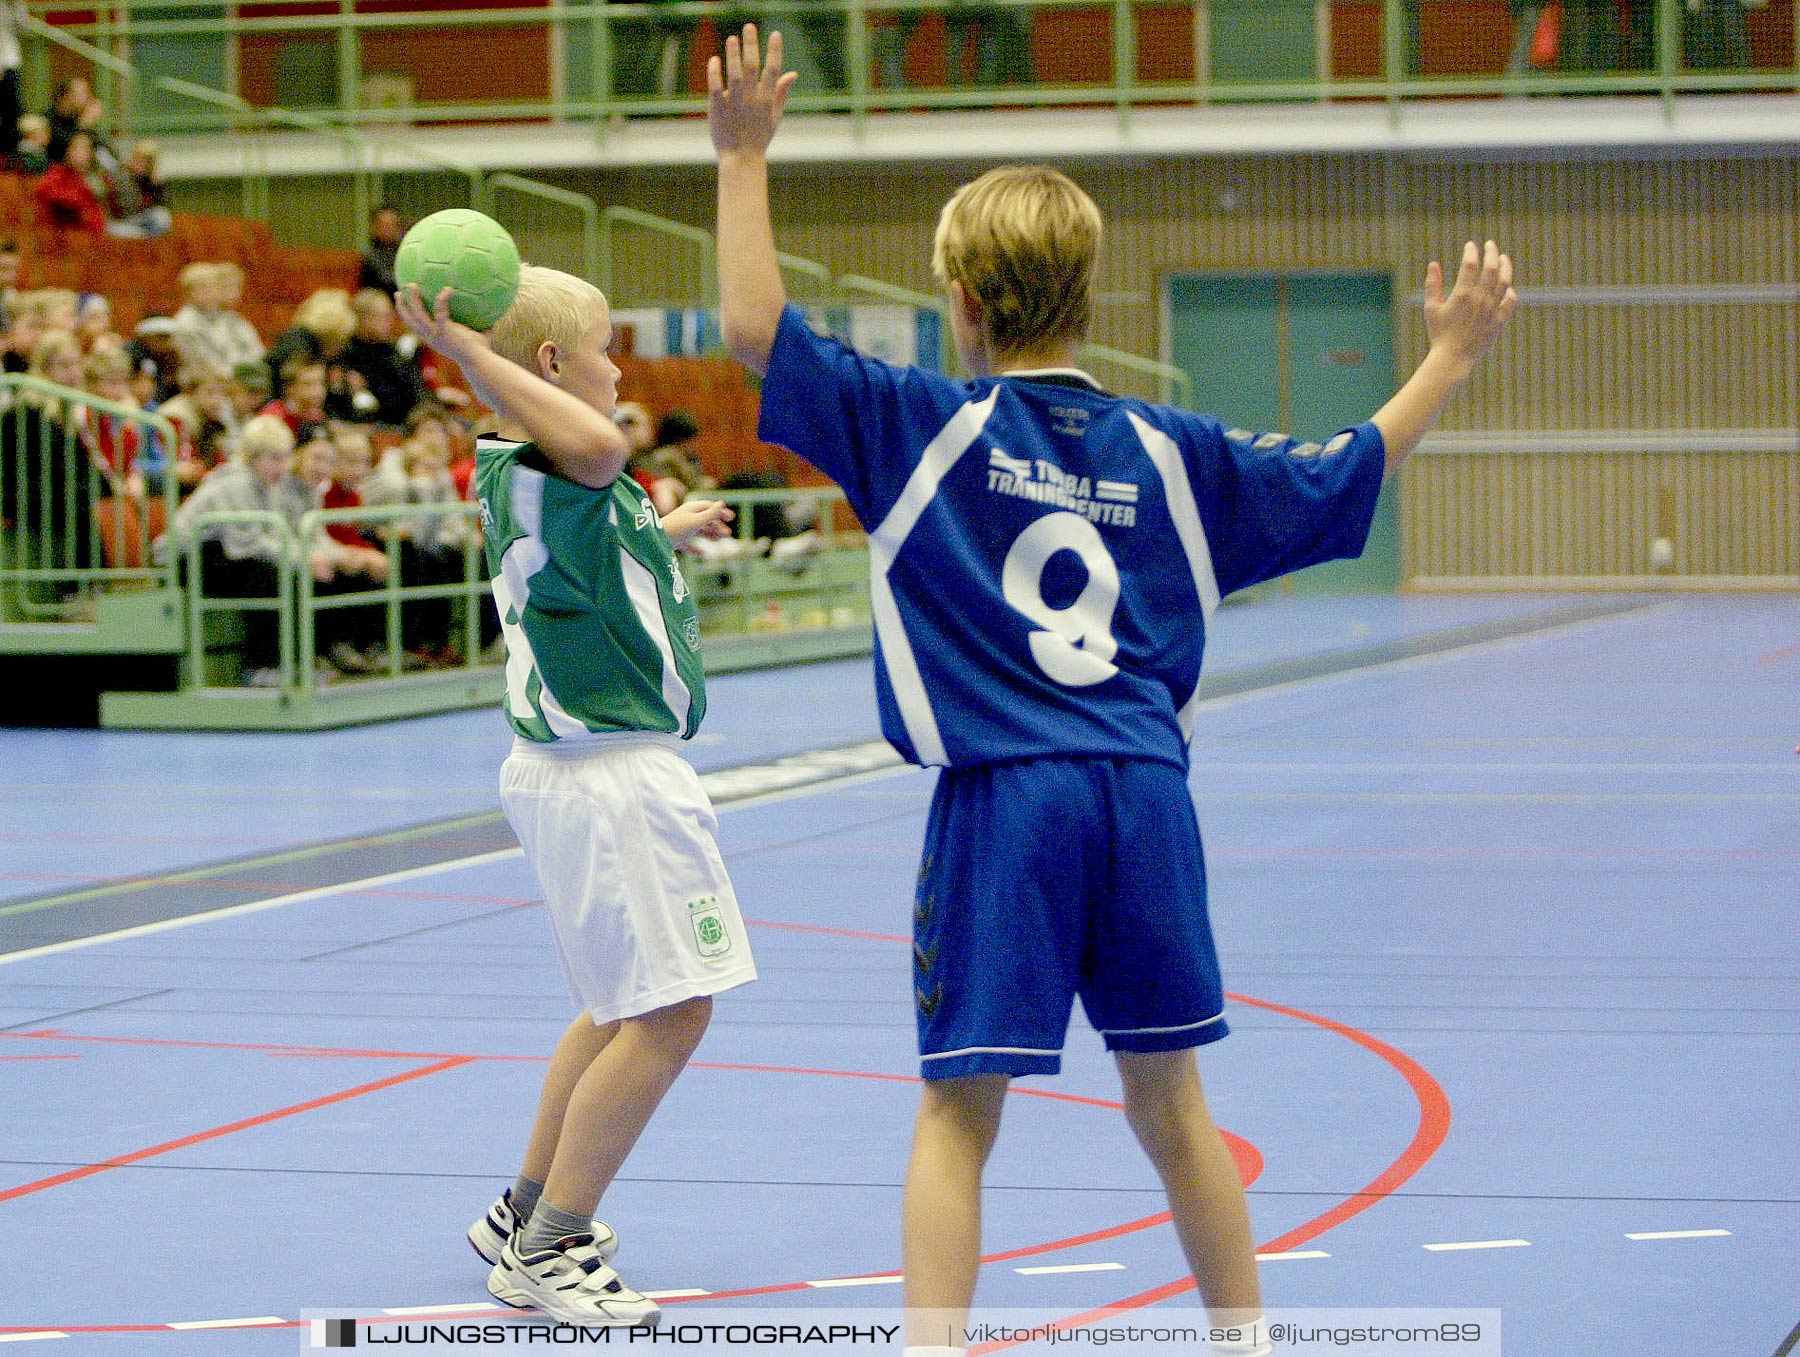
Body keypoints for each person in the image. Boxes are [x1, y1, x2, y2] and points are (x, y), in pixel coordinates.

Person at [708, 26, 1519, 1357]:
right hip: (1144, 795)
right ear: (1089, 298)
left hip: (1004, 798)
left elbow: (753, 325)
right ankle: (1244, 1341)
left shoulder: (921, 424)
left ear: (963, 303)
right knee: (1174, 1104)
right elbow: (1342, 472)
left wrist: (744, 156)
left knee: (959, 1110)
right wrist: (1449, 356)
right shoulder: (1175, 449)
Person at [394, 265, 753, 1327]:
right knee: (673, 1008)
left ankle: (521, 1213)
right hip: (609, 777)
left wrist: (663, 529)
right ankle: (551, 1249)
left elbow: (589, 526)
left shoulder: (524, 463)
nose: (619, 367)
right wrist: (473, 355)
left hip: (571, 774)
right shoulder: (569, 452)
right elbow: (599, 448)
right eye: (604, 348)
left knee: (615, 1006)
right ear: (549, 365)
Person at [359, 205, 404, 295]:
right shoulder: (370, 253)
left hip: (399, 293)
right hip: (375, 293)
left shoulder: (403, 249)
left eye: (393, 225)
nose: (389, 229)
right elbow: (386, 279)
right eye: (385, 225)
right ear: (374, 227)